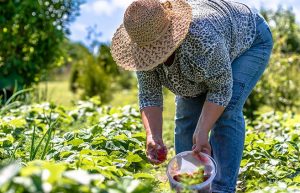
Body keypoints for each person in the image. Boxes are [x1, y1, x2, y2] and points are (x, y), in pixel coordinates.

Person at [111, 0, 273, 192]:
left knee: (227, 111)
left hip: (248, 39)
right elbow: (149, 95)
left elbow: (220, 90)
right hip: (210, 55)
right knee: (187, 119)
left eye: (155, 49)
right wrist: (152, 136)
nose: (151, 53)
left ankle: (222, 188)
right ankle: (190, 185)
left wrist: (203, 130)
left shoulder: (200, 38)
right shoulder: (145, 49)